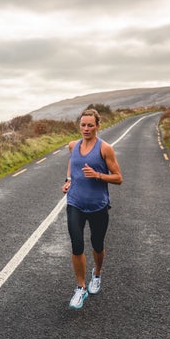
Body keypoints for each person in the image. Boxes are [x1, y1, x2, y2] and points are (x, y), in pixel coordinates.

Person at [61, 108, 122, 309]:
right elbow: (73, 162)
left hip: (98, 205)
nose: (86, 129)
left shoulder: (105, 149)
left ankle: (96, 273)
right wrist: (69, 180)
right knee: (77, 244)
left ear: (97, 126)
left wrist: (98, 175)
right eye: (83, 125)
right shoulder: (73, 145)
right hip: (75, 203)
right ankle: (80, 288)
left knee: (97, 244)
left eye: (90, 125)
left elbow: (118, 177)